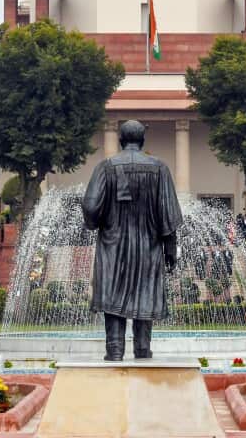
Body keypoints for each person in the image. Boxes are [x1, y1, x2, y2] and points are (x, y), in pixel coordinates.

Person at [82, 119, 183, 361]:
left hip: (112, 244)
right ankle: (143, 349)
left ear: (120, 140)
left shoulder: (105, 167)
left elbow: (90, 204)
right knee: (145, 294)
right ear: (143, 141)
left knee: (112, 295)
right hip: (149, 244)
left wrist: (94, 222)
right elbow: (168, 212)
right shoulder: (159, 168)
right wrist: (170, 247)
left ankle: (115, 350)